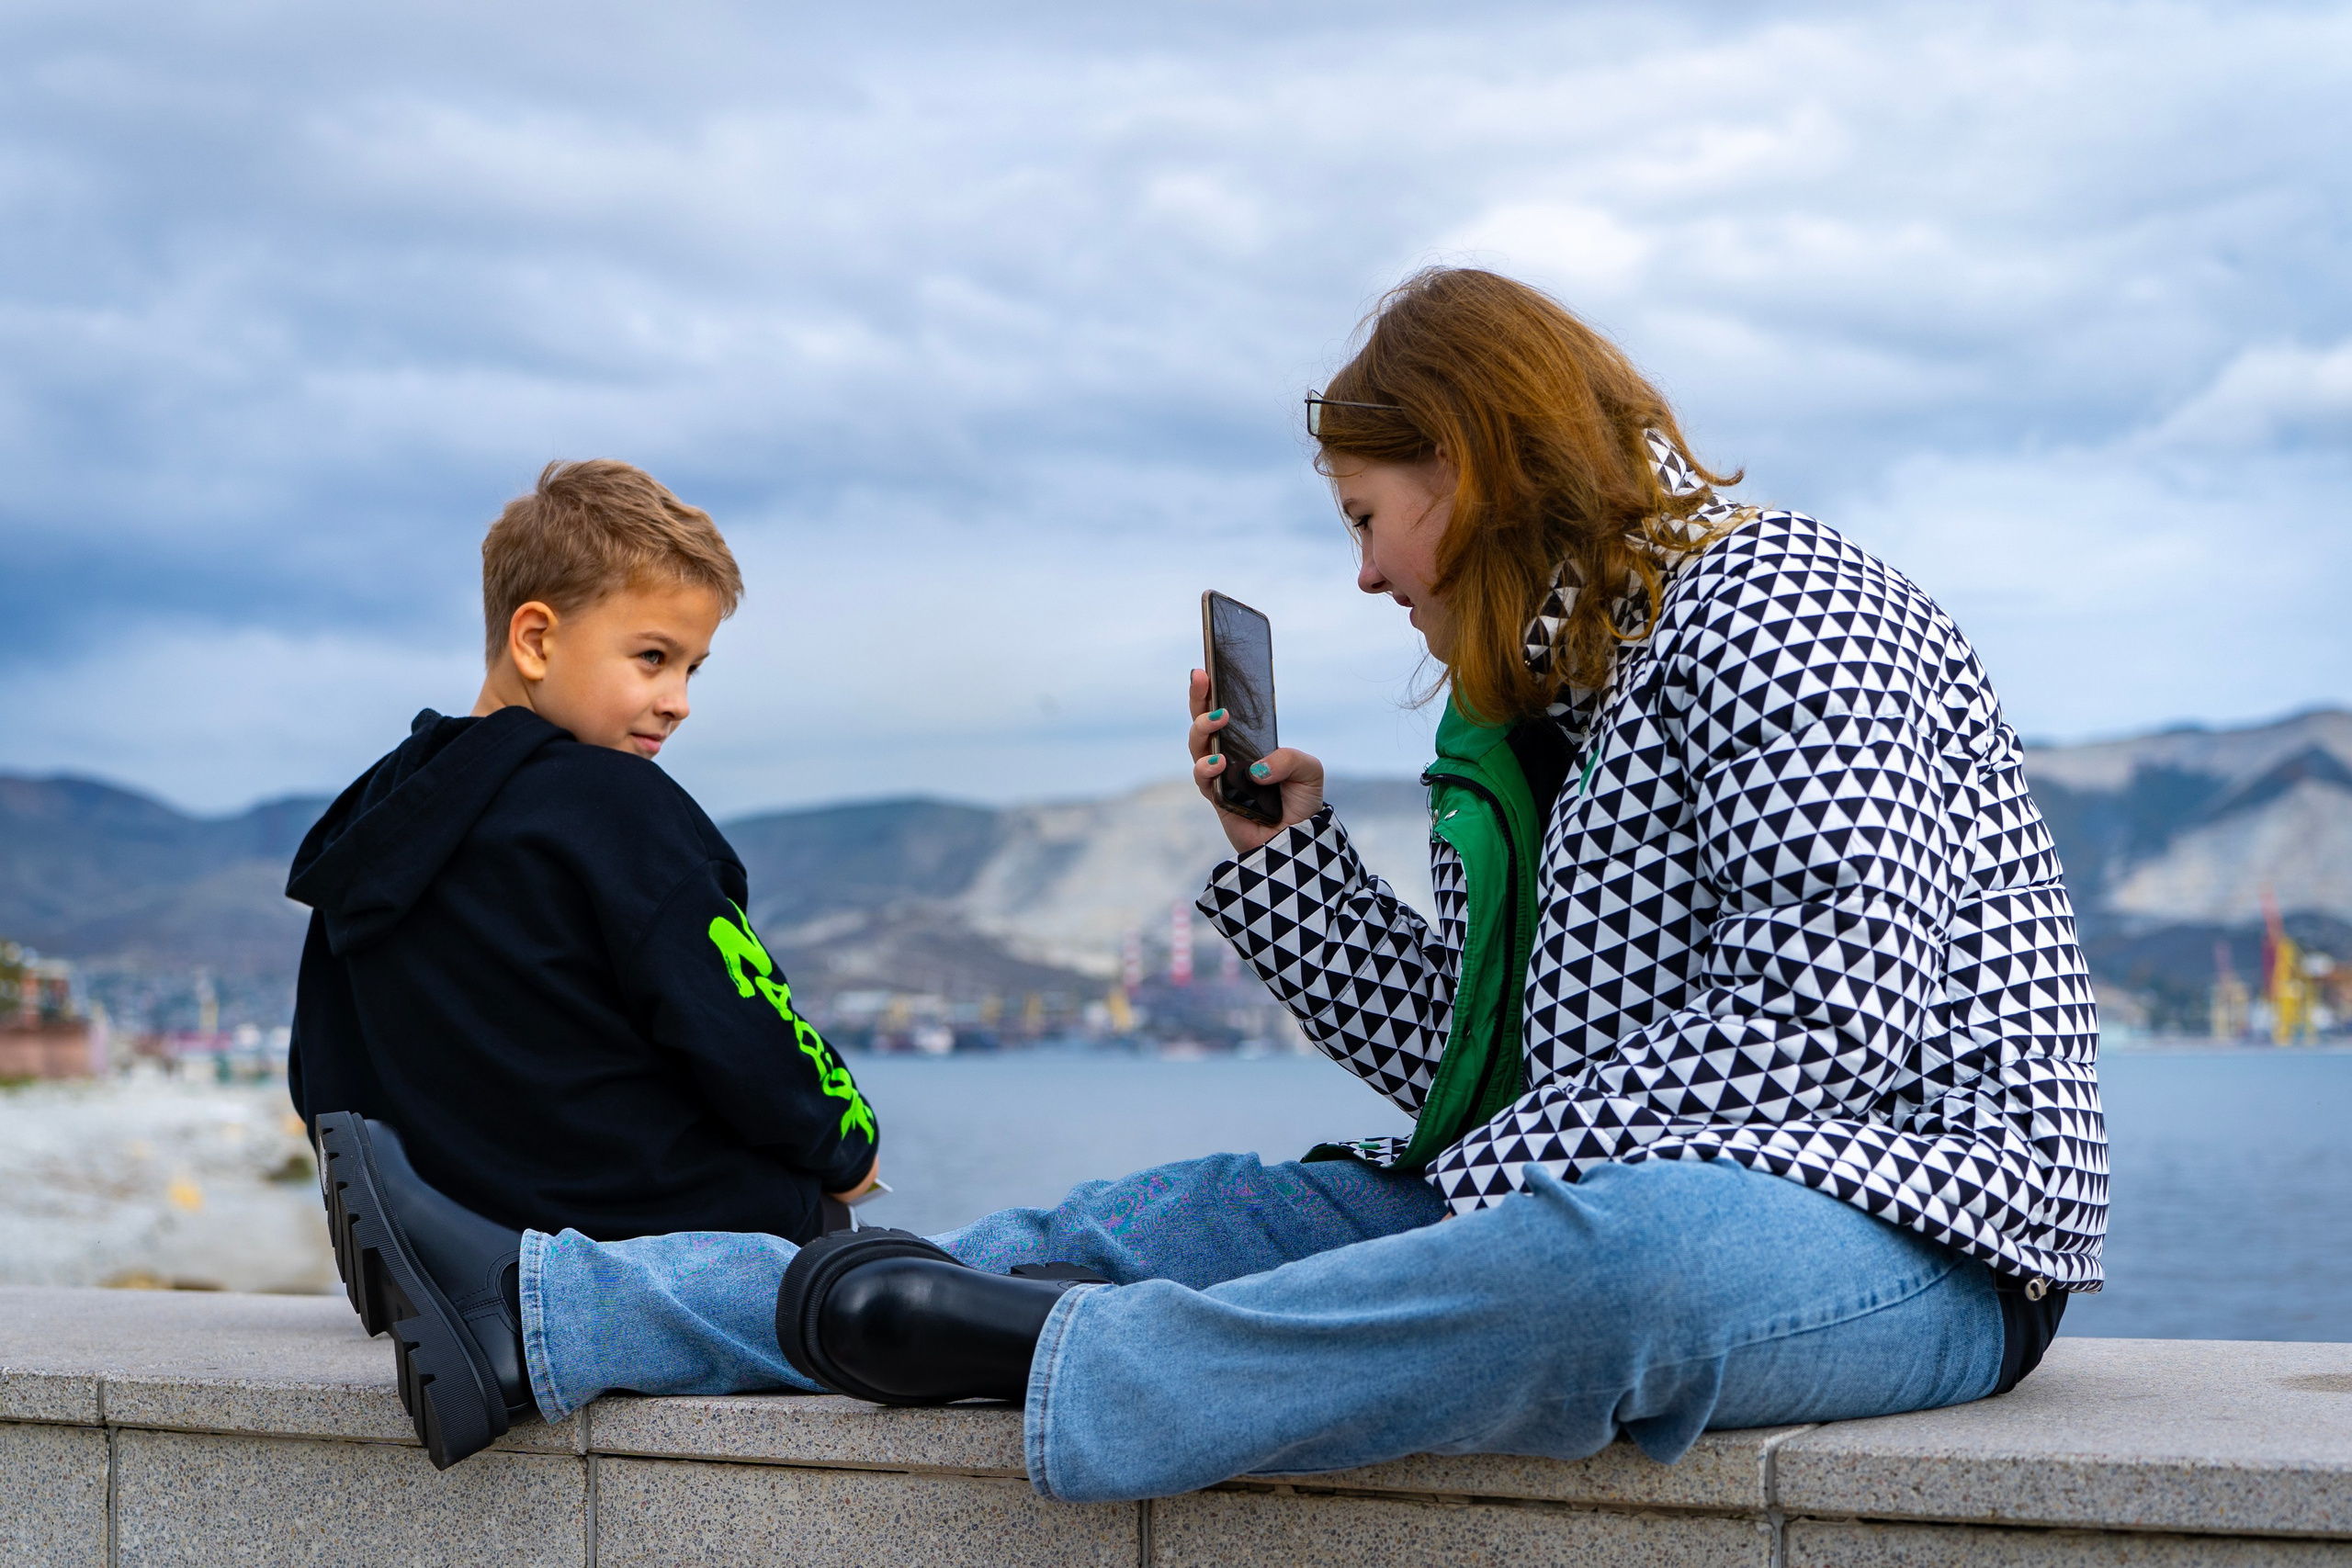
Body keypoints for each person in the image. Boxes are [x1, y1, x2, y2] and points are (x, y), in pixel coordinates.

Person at [327, 270, 2104, 1488]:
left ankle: (1062, 1362)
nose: (1364, 576)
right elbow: (1476, 1073)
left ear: (1473, 470)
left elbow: (1824, 1013)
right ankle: (537, 1309)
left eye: (1367, 516)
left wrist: (1477, 1196)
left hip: (1912, 1225)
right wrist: (1292, 862)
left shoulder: (1786, 603)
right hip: (1560, 1182)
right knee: (1108, 1229)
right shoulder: (1539, 706)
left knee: (1612, 1274)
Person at [288, 461, 881, 1437]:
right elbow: (745, 1027)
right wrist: (849, 1146)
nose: (678, 699)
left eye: (691, 669)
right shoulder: (617, 805)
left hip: (448, 1244)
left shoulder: (375, 820)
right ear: (535, 638)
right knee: (886, 1264)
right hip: (643, 1242)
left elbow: (317, 1069)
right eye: (652, 657)